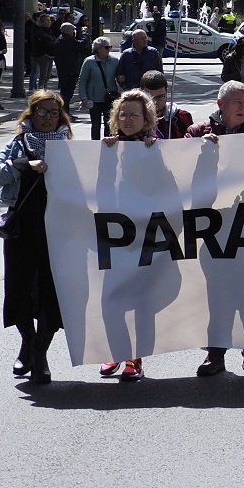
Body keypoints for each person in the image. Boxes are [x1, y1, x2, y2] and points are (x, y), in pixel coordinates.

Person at [0, 90, 73, 384]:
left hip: (57, 231)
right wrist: (22, 164)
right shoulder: (18, 143)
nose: (48, 118)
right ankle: (27, 341)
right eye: (42, 112)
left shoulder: (69, 147)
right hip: (22, 229)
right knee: (20, 289)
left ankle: (40, 353)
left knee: (52, 293)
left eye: (53, 113)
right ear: (31, 114)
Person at [185, 80, 244, 376]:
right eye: (237, 102)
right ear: (221, 105)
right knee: (217, 293)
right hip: (213, 227)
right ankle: (216, 354)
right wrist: (199, 150)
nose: (243, 107)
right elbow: (180, 169)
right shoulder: (198, 133)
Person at [95, 89, 159, 381]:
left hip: (145, 236)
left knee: (139, 301)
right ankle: (113, 353)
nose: (128, 119)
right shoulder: (107, 147)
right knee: (111, 299)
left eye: (134, 114)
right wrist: (106, 157)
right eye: (123, 114)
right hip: (113, 236)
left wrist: (156, 154)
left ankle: (136, 358)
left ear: (146, 119)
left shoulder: (156, 147)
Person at [76, 36, 121, 140]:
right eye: (106, 47)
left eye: (110, 47)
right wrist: (83, 97)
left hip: (110, 98)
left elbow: (120, 77)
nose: (108, 49)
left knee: (109, 125)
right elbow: (82, 81)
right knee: (96, 125)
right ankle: (94, 145)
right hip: (94, 99)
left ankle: (109, 146)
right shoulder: (89, 61)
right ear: (98, 48)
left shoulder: (115, 61)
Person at [140, 69, 193, 138]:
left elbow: (193, 143)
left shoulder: (181, 117)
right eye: (149, 98)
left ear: (166, 92)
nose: (154, 103)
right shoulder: (131, 117)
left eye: (160, 97)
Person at [53, 22, 88, 109]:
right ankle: (65, 112)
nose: (73, 32)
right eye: (73, 30)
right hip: (69, 71)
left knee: (65, 93)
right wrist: (85, 34)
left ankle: (66, 112)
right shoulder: (67, 39)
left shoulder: (61, 39)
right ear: (68, 31)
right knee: (67, 94)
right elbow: (82, 44)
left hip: (64, 70)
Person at [116, 28, 163, 93]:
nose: (145, 40)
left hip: (150, 91)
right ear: (134, 40)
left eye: (145, 38)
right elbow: (120, 75)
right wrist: (126, 88)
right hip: (132, 91)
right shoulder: (126, 55)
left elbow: (160, 72)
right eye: (142, 39)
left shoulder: (153, 53)